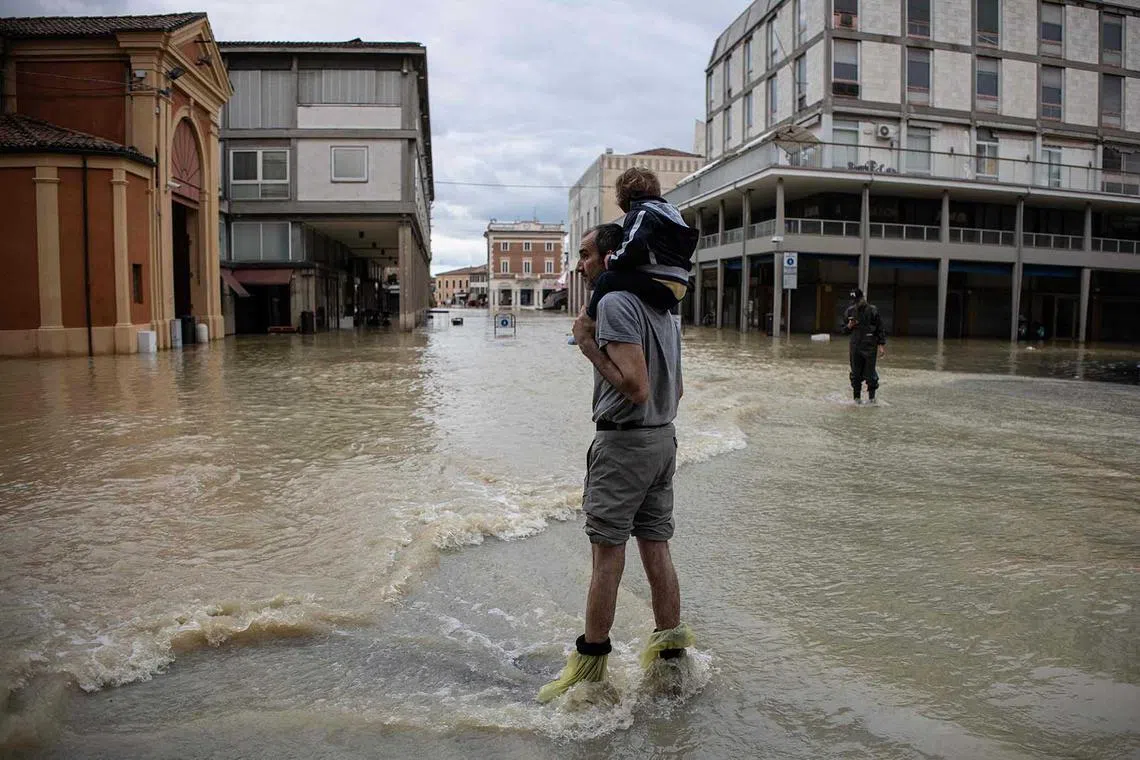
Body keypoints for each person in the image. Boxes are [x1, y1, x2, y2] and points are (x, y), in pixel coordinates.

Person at [538, 223, 694, 704]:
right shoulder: (662, 305)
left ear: (611, 256)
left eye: (585, 254)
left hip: (625, 446)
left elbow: (635, 386)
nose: (580, 264)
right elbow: (674, 388)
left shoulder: (614, 303)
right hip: (663, 439)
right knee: (656, 546)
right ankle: (671, 659)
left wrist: (587, 344)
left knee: (607, 556)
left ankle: (590, 671)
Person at [583, 167, 699, 321]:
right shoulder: (672, 213)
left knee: (607, 279)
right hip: (679, 287)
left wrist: (612, 259)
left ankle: (589, 320)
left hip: (659, 284)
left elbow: (633, 244)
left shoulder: (642, 213)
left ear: (626, 197)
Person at [841, 288, 886, 403]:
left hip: (870, 346)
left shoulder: (872, 310)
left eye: (857, 300)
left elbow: (880, 328)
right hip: (855, 345)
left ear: (862, 298)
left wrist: (881, 345)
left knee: (870, 374)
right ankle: (857, 399)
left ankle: (872, 398)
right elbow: (843, 330)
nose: (856, 303)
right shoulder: (850, 311)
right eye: (853, 301)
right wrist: (849, 326)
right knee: (855, 374)